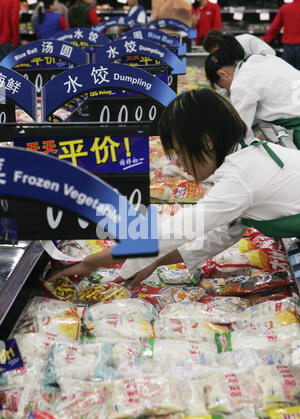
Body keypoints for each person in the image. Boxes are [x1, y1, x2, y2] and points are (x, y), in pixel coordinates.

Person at [47, 88, 300, 288]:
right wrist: (155, 261)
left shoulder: (240, 178)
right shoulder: (242, 162)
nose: (178, 164)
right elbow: (222, 234)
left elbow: (176, 231)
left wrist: (91, 262)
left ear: (207, 142)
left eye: (179, 152)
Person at [205, 35, 300, 148]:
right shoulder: (258, 59)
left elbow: (240, 131)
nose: (228, 90)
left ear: (222, 74)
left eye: (223, 86)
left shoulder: (241, 83)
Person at [263, 0, 300, 71]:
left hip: (288, 48)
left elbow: (274, 27)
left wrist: (265, 41)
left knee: (288, 72)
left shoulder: (285, 8)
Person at [203, 29, 275, 56]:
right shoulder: (227, 54)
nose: (217, 55)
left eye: (216, 51)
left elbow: (269, 53)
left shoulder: (246, 40)